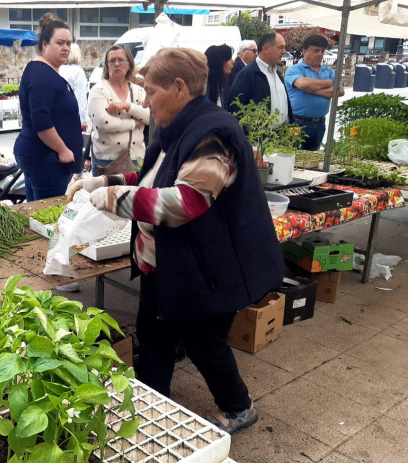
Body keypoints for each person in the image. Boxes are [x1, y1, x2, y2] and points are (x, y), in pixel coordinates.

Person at [67, 47, 284, 435]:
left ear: (179, 87)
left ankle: (239, 407)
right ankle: (153, 403)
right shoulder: (176, 127)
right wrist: (104, 181)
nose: (144, 101)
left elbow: (185, 201)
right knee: (153, 336)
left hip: (209, 269)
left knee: (205, 344)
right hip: (165, 266)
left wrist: (112, 199)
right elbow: (154, 177)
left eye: (150, 91)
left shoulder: (213, 134)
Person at [13, 13, 83, 201]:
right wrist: (63, 150)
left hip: (43, 157)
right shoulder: (41, 74)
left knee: (34, 211)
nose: (66, 48)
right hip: (47, 158)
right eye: (60, 43)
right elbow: (41, 121)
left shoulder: (45, 71)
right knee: (45, 215)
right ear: (45, 44)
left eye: (69, 43)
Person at [86, 44, 148, 175]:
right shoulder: (98, 90)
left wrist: (127, 106)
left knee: (134, 196)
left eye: (121, 60)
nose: (117, 64)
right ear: (107, 66)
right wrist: (134, 123)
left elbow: (150, 117)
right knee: (105, 196)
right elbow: (105, 123)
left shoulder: (139, 91)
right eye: (112, 61)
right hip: (106, 161)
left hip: (137, 158)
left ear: (129, 63)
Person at [284, 35, 344, 151]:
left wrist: (312, 90)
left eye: (322, 51)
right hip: (298, 123)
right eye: (316, 50)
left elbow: (340, 90)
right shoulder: (295, 70)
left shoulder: (328, 71)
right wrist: (329, 83)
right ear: (305, 51)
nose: (320, 54)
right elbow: (304, 85)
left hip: (319, 123)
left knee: (313, 159)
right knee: (294, 156)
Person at [226, 32, 293, 126]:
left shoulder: (277, 74)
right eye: (280, 47)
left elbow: (286, 104)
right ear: (266, 48)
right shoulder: (247, 74)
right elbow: (235, 108)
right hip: (259, 137)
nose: (284, 51)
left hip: (282, 136)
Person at [59, 43, 89, 132]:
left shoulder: (59, 69)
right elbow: (80, 98)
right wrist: (82, 120)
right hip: (73, 118)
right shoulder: (78, 71)